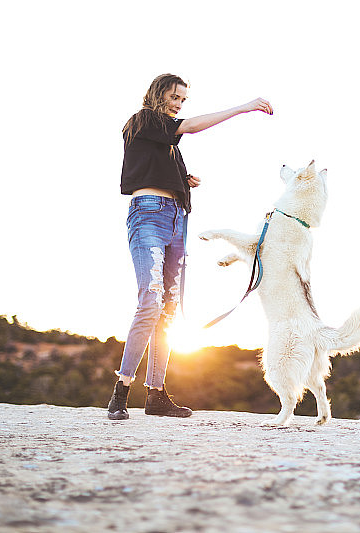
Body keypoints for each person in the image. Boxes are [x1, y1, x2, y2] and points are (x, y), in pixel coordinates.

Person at [108, 73, 273, 420]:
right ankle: (121, 391)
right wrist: (243, 108)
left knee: (168, 310)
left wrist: (182, 179)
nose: (179, 104)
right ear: (159, 95)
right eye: (174, 97)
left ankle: (155, 395)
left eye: (183, 100)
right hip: (149, 215)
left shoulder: (163, 141)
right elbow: (191, 127)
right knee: (150, 301)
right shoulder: (144, 120)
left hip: (174, 218)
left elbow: (153, 164)